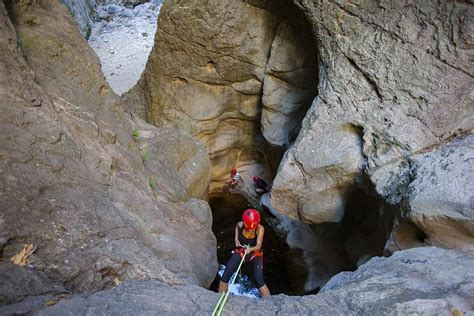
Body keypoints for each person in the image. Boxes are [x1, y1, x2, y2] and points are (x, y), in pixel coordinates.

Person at [218, 209, 271, 297]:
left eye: (252, 228)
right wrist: (236, 239)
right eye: (248, 228)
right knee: (225, 277)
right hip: (241, 251)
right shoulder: (240, 225)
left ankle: (269, 303)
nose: (250, 230)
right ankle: (220, 298)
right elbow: (236, 227)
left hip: (255, 254)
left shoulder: (260, 229)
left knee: (259, 281)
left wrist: (250, 249)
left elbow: (258, 245)